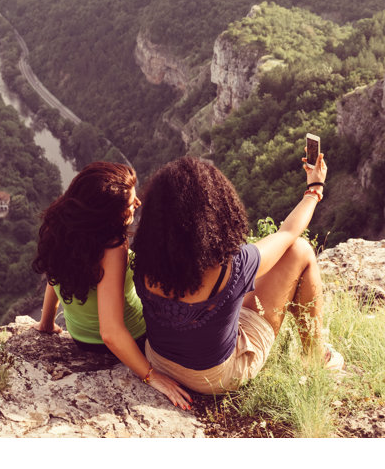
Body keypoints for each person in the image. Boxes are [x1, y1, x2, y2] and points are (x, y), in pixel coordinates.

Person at [130, 152, 343, 395]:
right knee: (301, 250)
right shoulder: (233, 265)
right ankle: (315, 356)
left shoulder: (143, 260)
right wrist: (314, 190)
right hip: (217, 378)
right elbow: (287, 234)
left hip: (158, 361)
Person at [33, 161, 192, 410]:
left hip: (80, 338)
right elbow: (110, 333)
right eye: (130, 203)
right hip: (134, 339)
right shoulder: (113, 248)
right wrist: (151, 375)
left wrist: (46, 323)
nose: (138, 203)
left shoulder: (61, 229)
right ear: (109, 214)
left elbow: (55, 277)